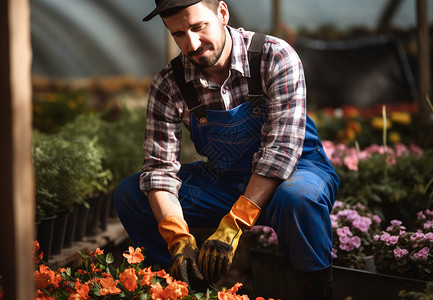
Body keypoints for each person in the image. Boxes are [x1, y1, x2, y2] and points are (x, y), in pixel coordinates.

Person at [114, 0, 339, 299]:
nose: (191, 44)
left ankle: (317, 292)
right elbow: (159, 170)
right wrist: (177, 237)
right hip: (226, 179)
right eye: (178, 34)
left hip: (296, 173)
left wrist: (234, 224)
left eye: (197, 27)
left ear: (222, 13)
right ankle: (187, 289)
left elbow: (281, 152)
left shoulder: (274, 56)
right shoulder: (169, 85)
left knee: (297, 197)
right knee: (132, 195)